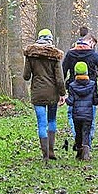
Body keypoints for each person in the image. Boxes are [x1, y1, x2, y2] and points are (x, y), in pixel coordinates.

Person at [23, 29, 67, 161]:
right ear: (50, 39)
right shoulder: (55, 55)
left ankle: (45, 154)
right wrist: (62, 94)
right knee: (52, 120)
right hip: (52, 93)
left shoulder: (31, 55)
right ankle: (51, 151)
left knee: (41, 123)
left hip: (37, 93)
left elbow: (26, 76)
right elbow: (59, 78)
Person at [62, 37, 98, 148]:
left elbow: (62, 71)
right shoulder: (92, 54)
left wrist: (61, 89)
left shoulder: (70, 54)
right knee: (90, 115)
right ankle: (87, 143)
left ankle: (78, 138)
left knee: (72, 115)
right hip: (90, 88)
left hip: (74, 87)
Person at [66, 61, 98, 160]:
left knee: (78, 132)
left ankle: (79, 152)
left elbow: (71, 102)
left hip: (76, 115)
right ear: (87, 72)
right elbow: (95, 101)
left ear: (76, 73)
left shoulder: (72, 85)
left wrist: (66, 100)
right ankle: (86, 152)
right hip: (88, 114)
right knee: (86, 132)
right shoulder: (93, 84)